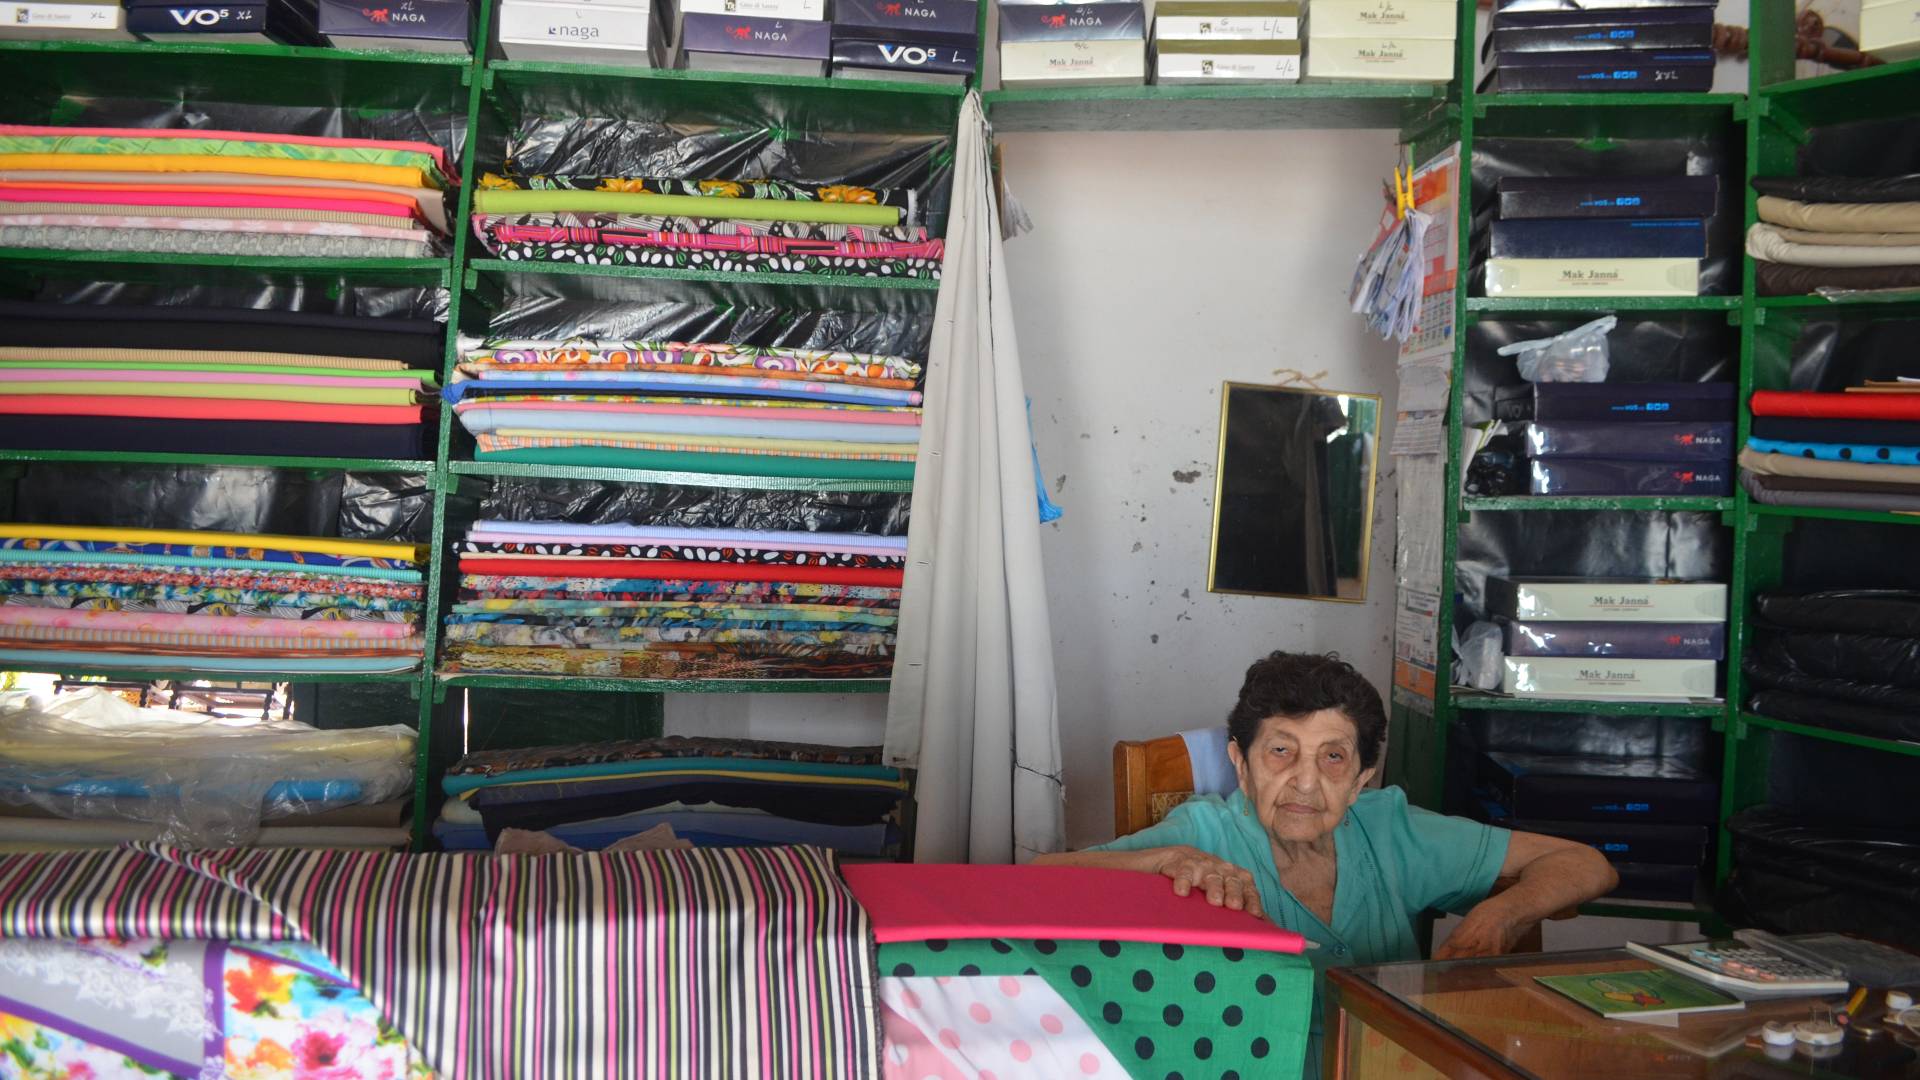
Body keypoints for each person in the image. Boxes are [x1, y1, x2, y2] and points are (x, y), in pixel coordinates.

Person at [1035, 650, 1618, 1077]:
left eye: (1333, 757)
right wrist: (1162, 858)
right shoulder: (1202, 833)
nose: (1304, 782)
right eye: (1280, 750)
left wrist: (1502, 915)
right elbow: (1030, 886)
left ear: (1362, 779)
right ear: (1242, 765)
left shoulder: (1390, 828)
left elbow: (1587, 864)